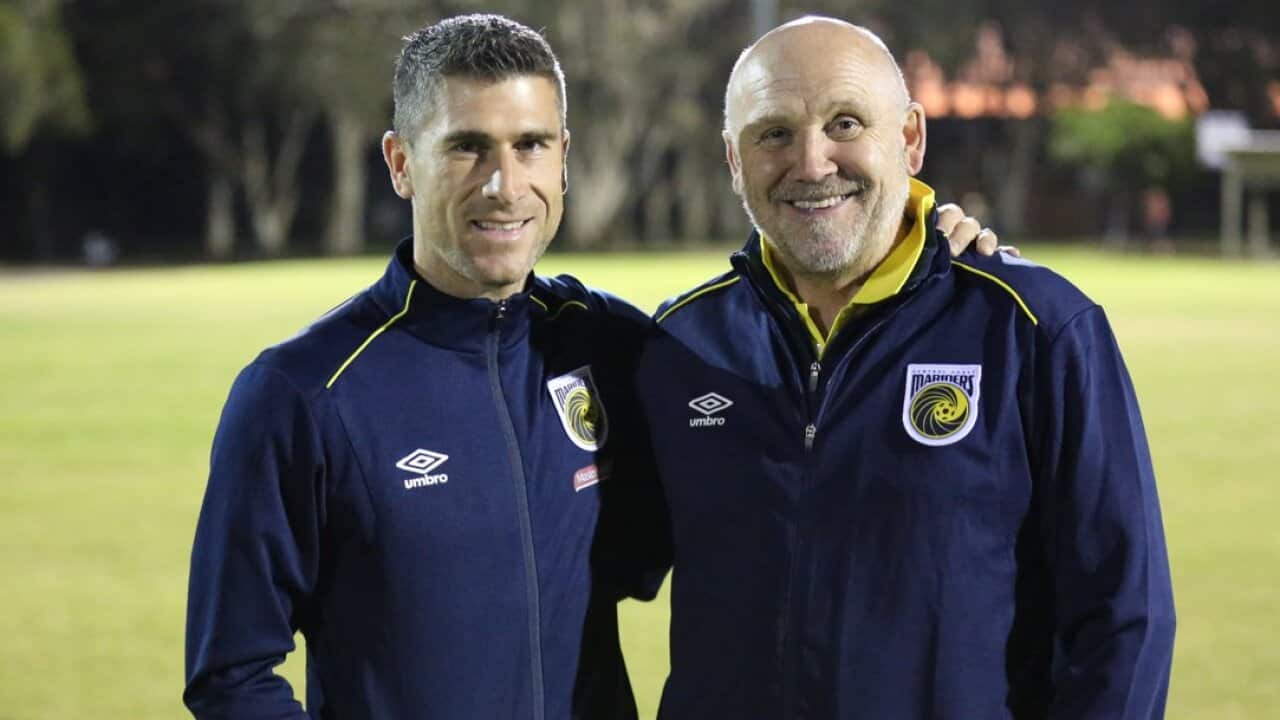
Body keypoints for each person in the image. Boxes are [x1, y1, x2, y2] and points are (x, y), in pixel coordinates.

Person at [183, 12, 997, 720]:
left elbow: (786, 489)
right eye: (466, 148)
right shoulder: (305, 394)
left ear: (563, 158)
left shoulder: (618, 349)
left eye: (530, 145)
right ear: (400, 162)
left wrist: (925, 247)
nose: (503, 185)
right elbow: (232, 673)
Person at [635, 16, 1176, 719]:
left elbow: (1125, 615)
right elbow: (574, 559)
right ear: (734, 161)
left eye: (845, 123)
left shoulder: (1034, 327)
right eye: (773, 134)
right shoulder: (680, 344)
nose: (812, 163)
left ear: (910, 139)